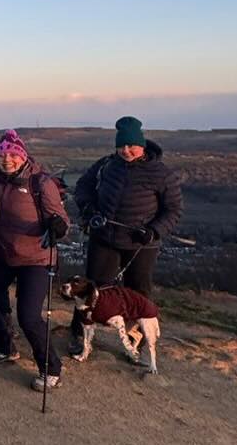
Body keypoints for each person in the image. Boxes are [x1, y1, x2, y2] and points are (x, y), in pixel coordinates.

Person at [73, 116, 183, 324]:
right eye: (121, 146)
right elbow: (83, 187)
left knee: (138, 292)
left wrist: (153, 231)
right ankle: (80, 334)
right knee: (92, 289)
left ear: (141, 145)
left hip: (141, 243)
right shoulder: (106, 165)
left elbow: (174, 210)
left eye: (131, 145)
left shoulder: (161, 173)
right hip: (104, 237)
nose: (126, 150)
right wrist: (88, 209)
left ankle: (137, 336)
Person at [0, 130, 69, 390]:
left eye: (12, 154)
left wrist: (57, 227)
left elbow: (63, 220)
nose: (7, 159)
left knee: (29, 316)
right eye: (2, 155)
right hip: (3, 254)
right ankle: (4, 347)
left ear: (22, 156)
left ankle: (50, 367)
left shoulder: (40, 183)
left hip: (36, 258)